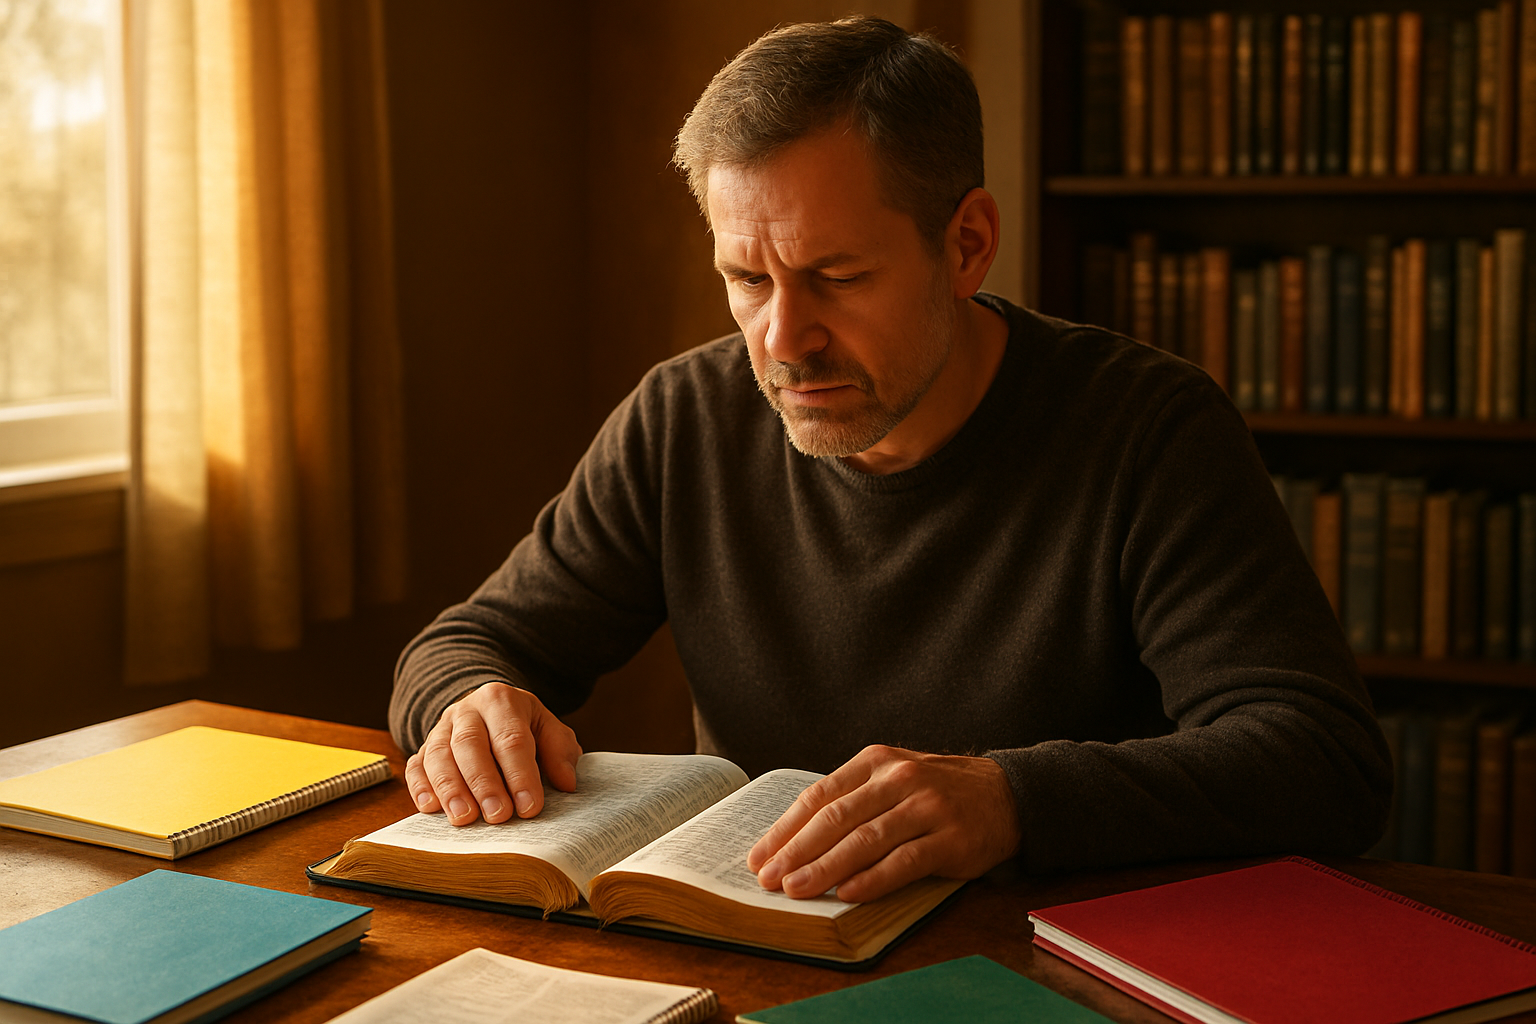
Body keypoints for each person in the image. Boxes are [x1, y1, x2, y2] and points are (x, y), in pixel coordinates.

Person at [390, 16, 1391, 906]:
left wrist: (1012, 799)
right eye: (746, 278)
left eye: (836, 277)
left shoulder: (1147, 428)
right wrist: (469, 704)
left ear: (966, 244)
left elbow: (1322, 760)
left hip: (1047, 964)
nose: (785, 339)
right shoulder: (684, 416)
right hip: (750, 950)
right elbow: (464, 645)